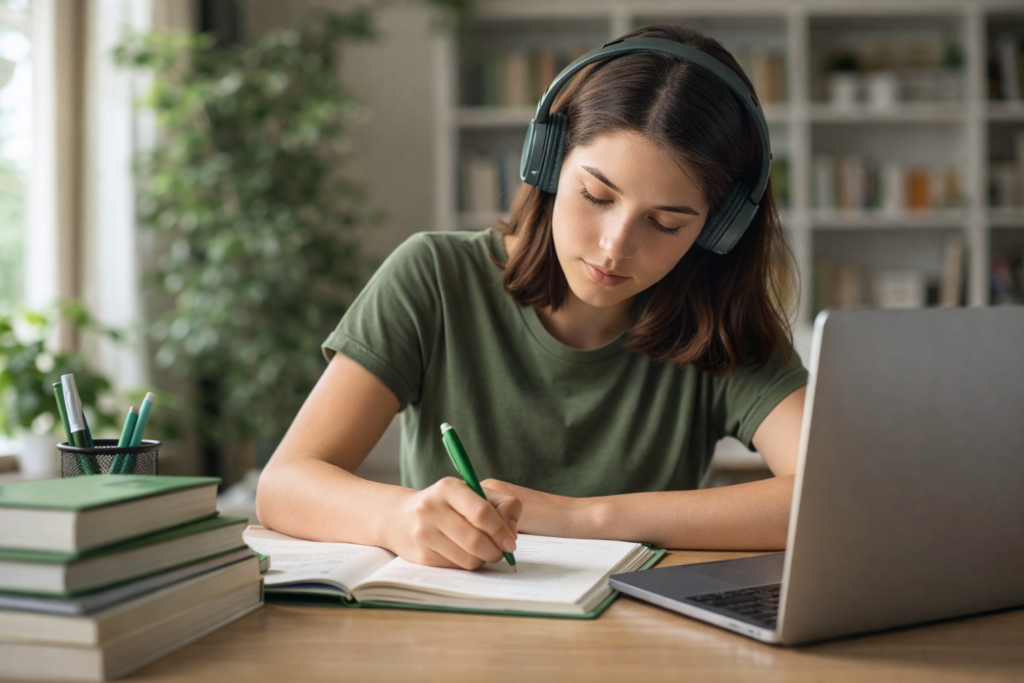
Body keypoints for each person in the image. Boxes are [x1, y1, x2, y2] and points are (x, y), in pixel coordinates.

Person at [255, 23, 807, 571]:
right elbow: (284, 485)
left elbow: (832, 493)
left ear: (719, 229)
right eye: (595, 195)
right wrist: (394, 517)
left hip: (642, 647)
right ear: (547, 162)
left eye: (664, 224)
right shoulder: (434, 276)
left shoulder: (718, 317)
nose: (614, 247)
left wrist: (584, 518)